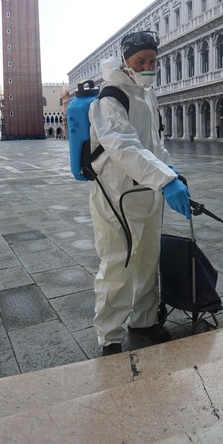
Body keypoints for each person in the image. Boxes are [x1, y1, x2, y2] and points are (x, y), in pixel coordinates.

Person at [88, 30, 191, 356]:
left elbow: (154, 145)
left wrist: (173, 175)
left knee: (148, 260)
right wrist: (164, 179)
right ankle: (110, 337)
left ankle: (143, 321)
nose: (147, 66)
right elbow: (122, 146)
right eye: (140, 61)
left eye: (151, 61)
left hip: (148, 192)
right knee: (118, 263)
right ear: (125, 61)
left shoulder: (147, 93)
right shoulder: (110, 96)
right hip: (116, 194)